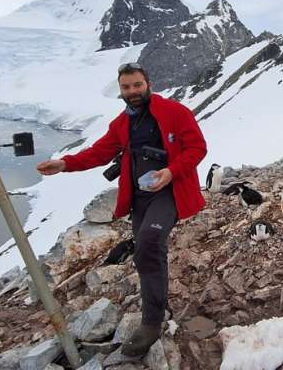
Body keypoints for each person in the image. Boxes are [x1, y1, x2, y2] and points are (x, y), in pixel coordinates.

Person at [36, 62, 207, 356]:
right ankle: (159, 302)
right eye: (126, 87)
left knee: (149, 244)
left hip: (170, 192)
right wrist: (65, 164)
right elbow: (100, 152)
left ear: (148, 83)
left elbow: (197, 148)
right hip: (140, 198)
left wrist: (170, 171)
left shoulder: (175, 112)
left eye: (137, 85)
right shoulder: (122, 123)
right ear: (121, 89)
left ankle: (151, 323)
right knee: (147, 253)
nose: (132, 91)